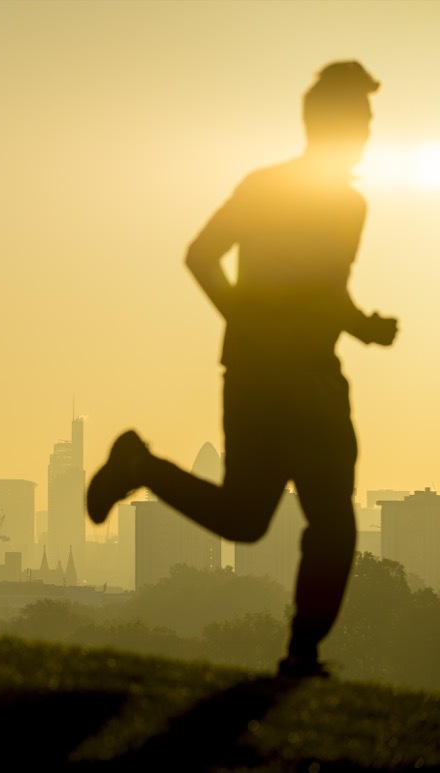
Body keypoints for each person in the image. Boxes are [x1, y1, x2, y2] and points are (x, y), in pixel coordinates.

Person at [86, 61, 398, 679]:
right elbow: (201, 255)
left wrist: (362, 325)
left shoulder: (351, 206)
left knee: (327, 522)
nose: (367, 127)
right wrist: (246, 319)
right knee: (250, 520)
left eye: (368, 116)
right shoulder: (266, 189)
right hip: (261, 378)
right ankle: (139, 465)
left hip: (314, 376)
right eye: (358, 115)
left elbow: (324, 291)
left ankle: (302, 655)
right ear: (327, 123)